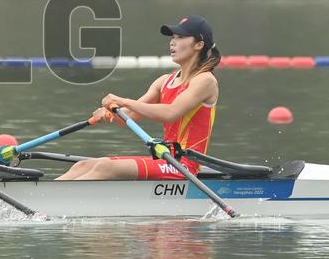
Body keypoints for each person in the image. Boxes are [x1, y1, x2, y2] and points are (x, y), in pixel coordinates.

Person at [56, 15, 220, 181]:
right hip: (165, 160)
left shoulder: (205, 80)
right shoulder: (164, 81)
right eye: (173, 37)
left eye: (180, 37)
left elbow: (171, 112)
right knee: (82, 165)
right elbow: (128, 117)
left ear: (199, 44)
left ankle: (54, 204)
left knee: (106, 167)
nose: (172, 42)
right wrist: (108, 116)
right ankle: (43, 202)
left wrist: (124, 101)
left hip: (185, 166)